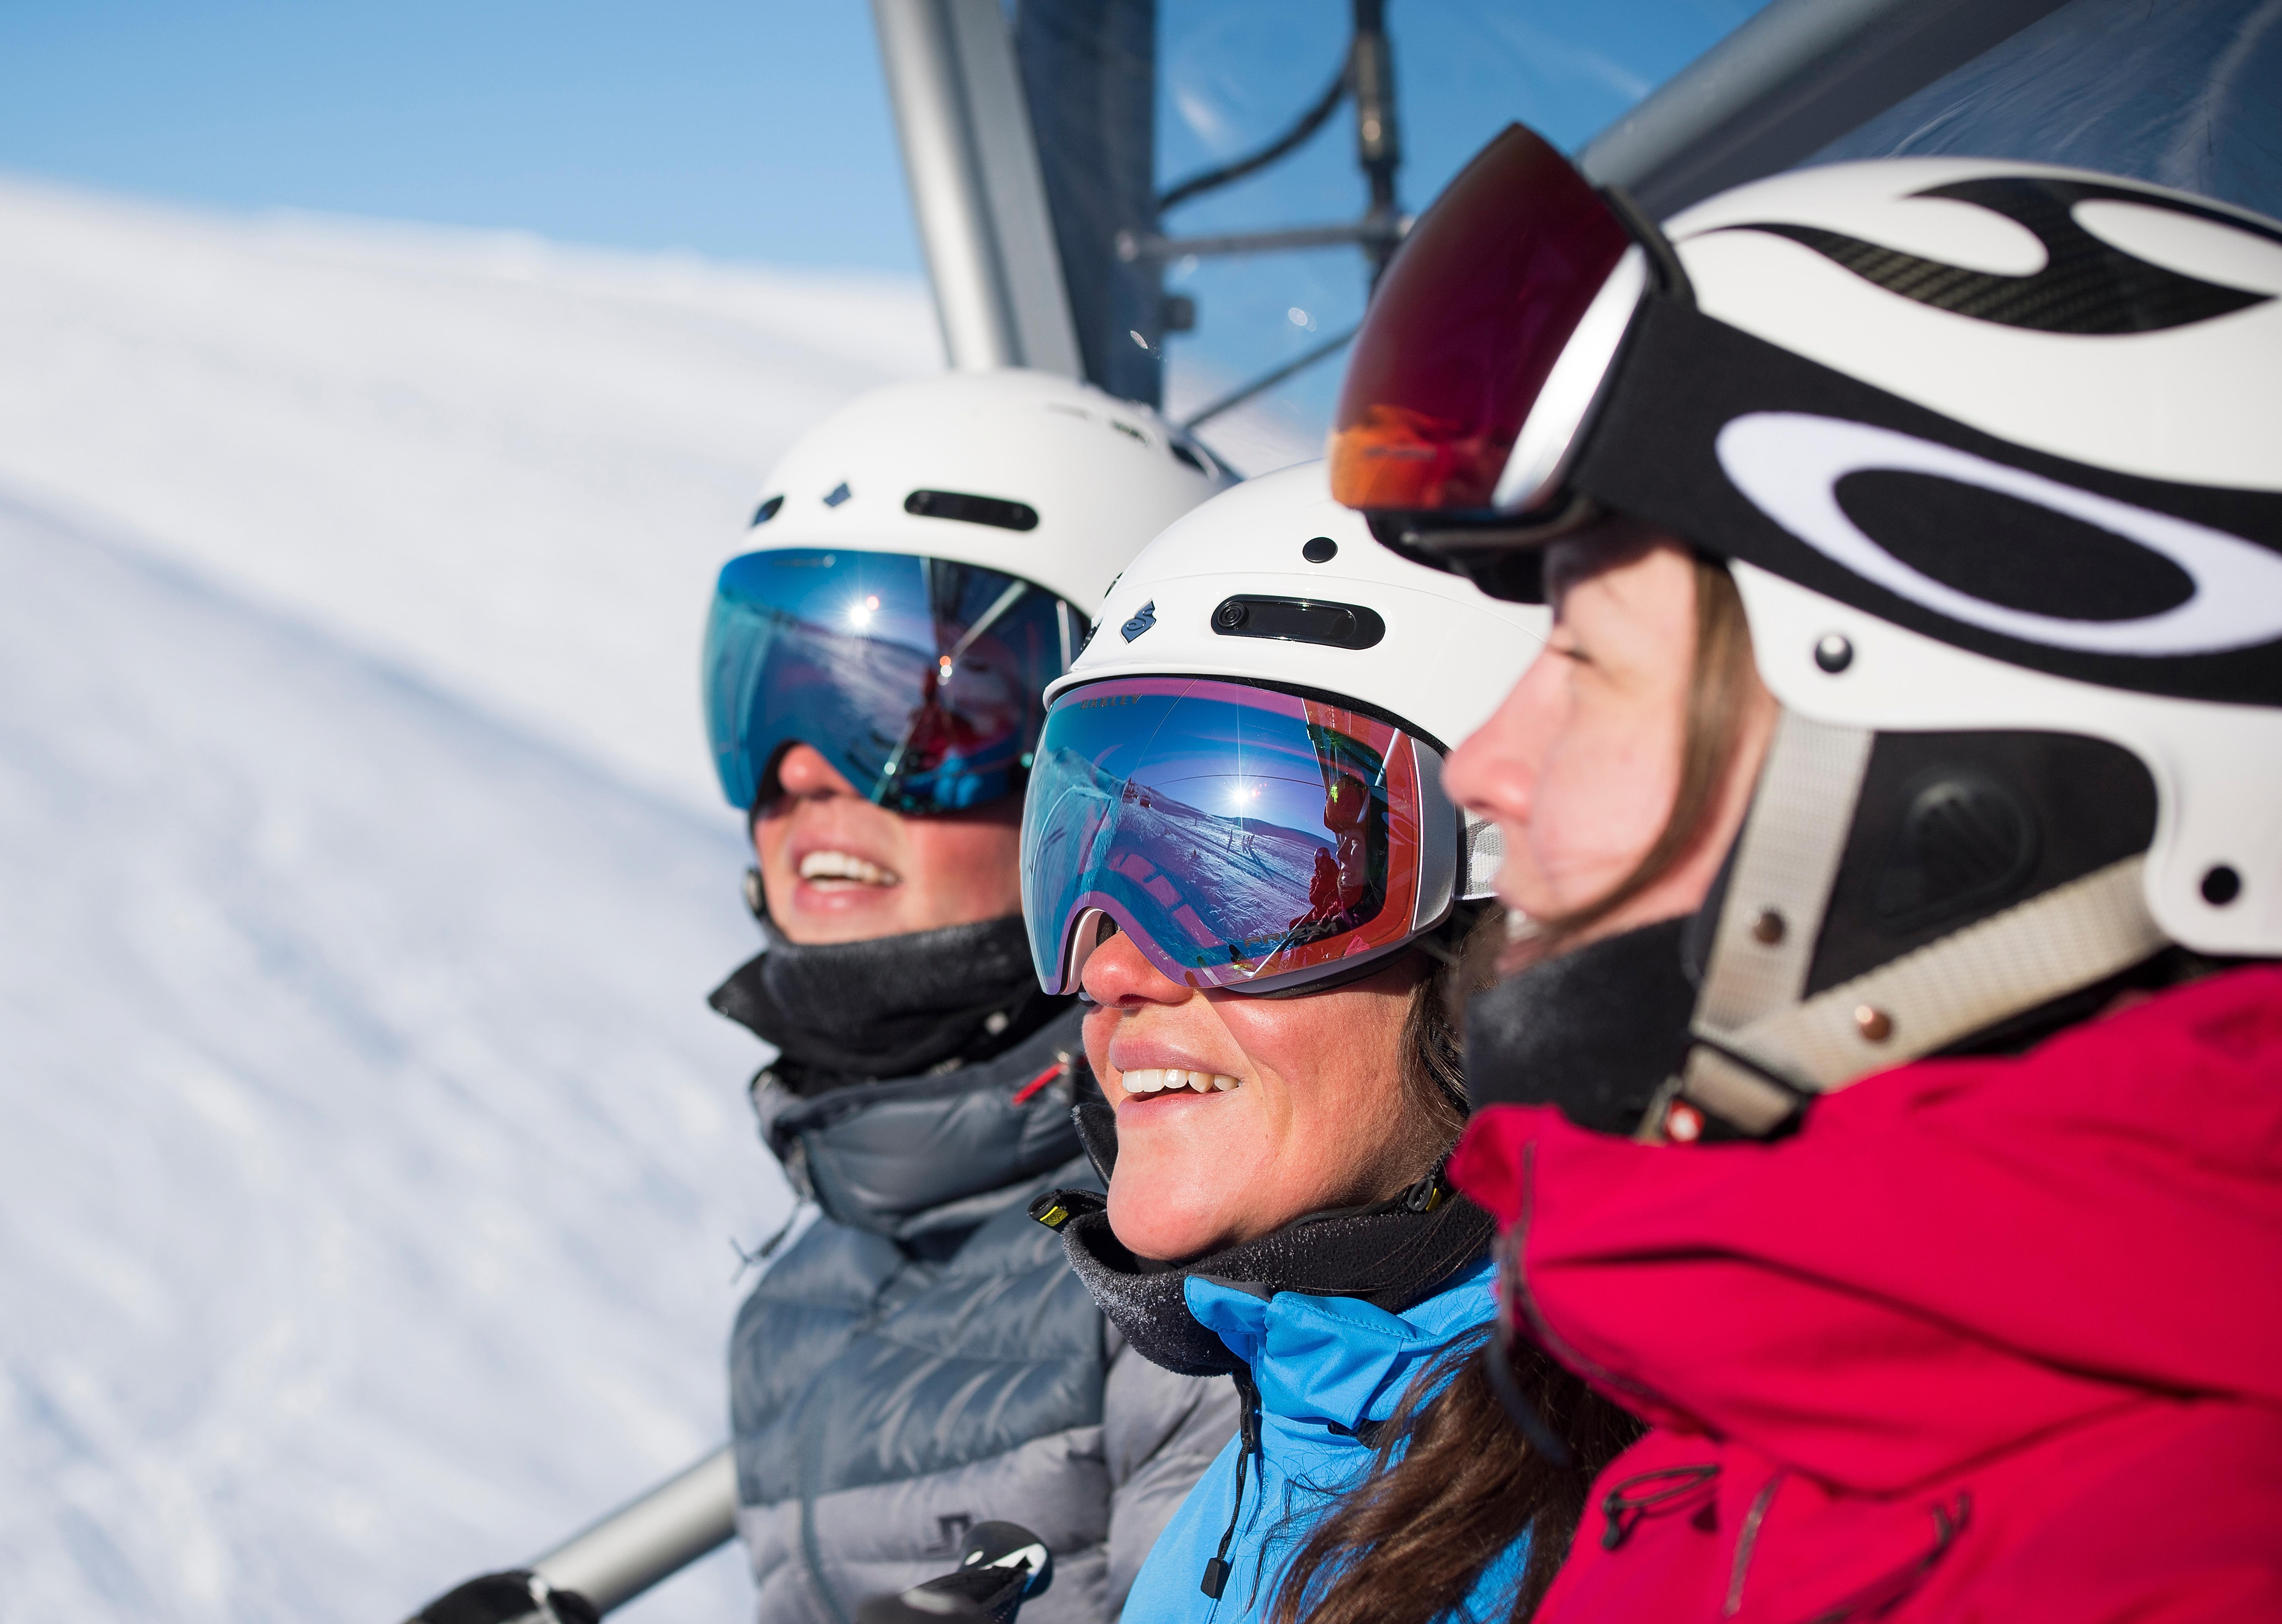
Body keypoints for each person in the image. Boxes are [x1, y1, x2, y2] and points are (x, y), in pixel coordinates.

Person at [1328, 125, 2282, 1620]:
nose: (1482, 767)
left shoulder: (2184, 1556)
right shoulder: (1733, 1438)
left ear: (1949, 806)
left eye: (1585, 657)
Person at [1015, 460, 1634, 1624]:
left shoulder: (1638, 1545)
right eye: (1086, 874)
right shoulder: (1258, 1479)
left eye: (1241, 887)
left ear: (1503, 951)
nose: (1112, 967)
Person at [702, 367, 1241, 1624]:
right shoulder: (797, 1302)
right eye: (766, 702)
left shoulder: (1194, 1250)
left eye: (909, 713)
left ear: (1113, 767)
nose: (803, 776)